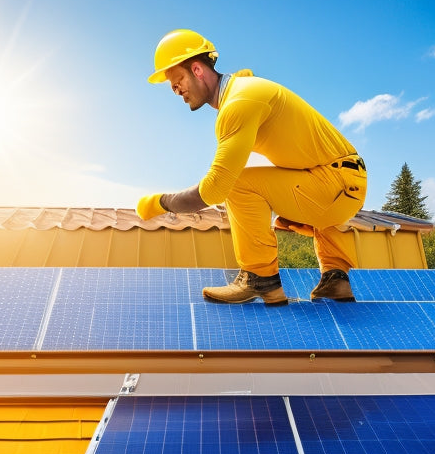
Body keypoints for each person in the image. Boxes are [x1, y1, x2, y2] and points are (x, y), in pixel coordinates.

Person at [136, 29, 367, 305]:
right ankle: (335, 277)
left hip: (334, 184)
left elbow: (214, 189)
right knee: (282, 175)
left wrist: (162, 203)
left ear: (197, 69)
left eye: (178, 81)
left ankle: (260, 278)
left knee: (237, 183)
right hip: (344, 182)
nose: (177, 91)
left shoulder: (239, 103)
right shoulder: (244, 91)